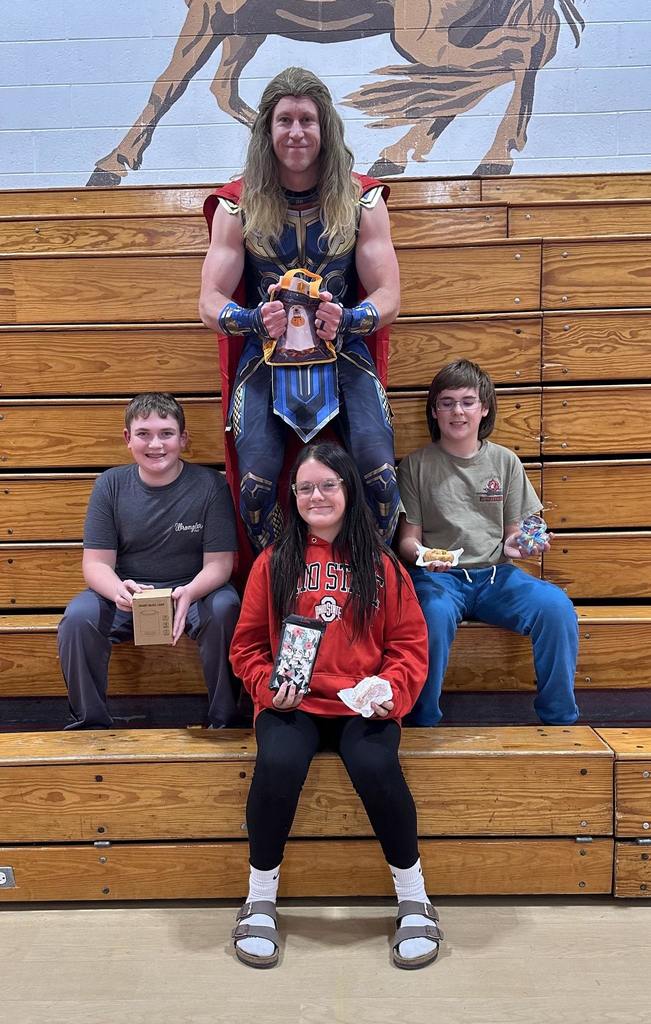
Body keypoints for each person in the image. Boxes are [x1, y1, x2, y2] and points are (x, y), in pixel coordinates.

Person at [229, 442, 443, 970]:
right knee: (277, 763)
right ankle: (259, 899)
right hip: (294, 704)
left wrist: (388, 690)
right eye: (305, 487)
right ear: (293, 497)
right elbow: (248, 645)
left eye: (328, 484)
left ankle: (414, 897)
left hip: (361, 707)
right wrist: (265, 685)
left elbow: (409, 645)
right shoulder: (274, 562)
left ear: (349, 490)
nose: (316, 495)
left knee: (376, 764)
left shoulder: (382, 562)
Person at [199, 66, 401, 555]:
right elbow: (208, 300)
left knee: (379, 476)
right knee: (256, 487)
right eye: (284, 120)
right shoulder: (237, 204)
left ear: (324, 126)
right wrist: (249, 320)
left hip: (345, 354)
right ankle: (281, 583)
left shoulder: (363, 199)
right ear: (266, 130)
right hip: (264, 359)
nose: (296, 132)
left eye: (307, 119)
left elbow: (390, 294)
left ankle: (371, 582)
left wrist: (351, 319)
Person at [397, 359, 580, 727]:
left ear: (484, 408)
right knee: (429, 616)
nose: (457, 411)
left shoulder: (505, 462)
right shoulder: (415, 465)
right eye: (447, 402)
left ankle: (559, 718)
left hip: (497, 576)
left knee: (556, 607)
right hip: (440, 580)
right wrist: (424, 557)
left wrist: (519, 545)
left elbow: (515, 532)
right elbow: (406, 542)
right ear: (434, 411)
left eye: (467, 401)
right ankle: (421, 721)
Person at [57, 393, 241, 729]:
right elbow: (96, 564)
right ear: (128, 439)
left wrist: (189, 592)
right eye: (144, 434)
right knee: (78, 618)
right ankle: (90, 724)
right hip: (129, 596)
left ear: (183, 439)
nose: (155, 444)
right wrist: (118, 591)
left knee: (226, 606)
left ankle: (226, 721)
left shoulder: (211, 485)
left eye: (166, 433)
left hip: (193, 594)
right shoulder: (110, 485)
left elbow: (220, 564)